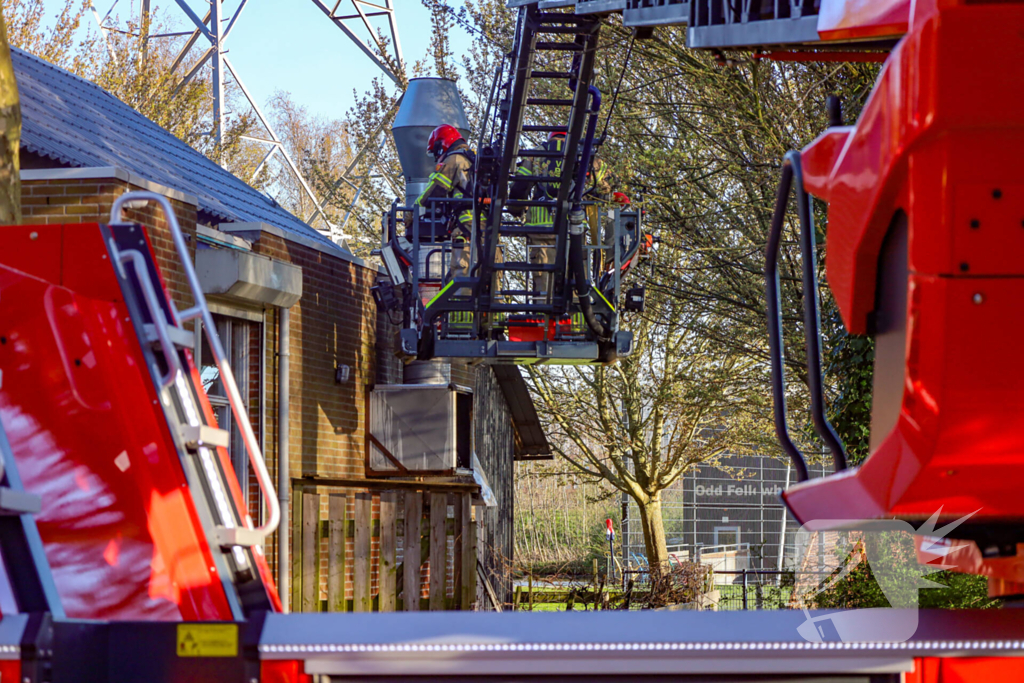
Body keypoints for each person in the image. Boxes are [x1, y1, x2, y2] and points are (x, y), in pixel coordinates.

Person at [416, 124, 477, 289]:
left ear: (441, 144)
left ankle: (461, 316)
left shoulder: (454, 159)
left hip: (466, 231)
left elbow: (435, 190)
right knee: (490, 288)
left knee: (461, 287)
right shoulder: (474, 159)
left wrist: (413, 210)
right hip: (490, 232)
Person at [509, 131, 566, 302]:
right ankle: (577, 323)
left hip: (540, 228)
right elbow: (604, 184)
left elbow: (520, 185)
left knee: (543, 276)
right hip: (571, 227)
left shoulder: (536, 154)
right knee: (575, 275)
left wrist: (515, 209)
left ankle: (543, 317)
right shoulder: (581, 153)